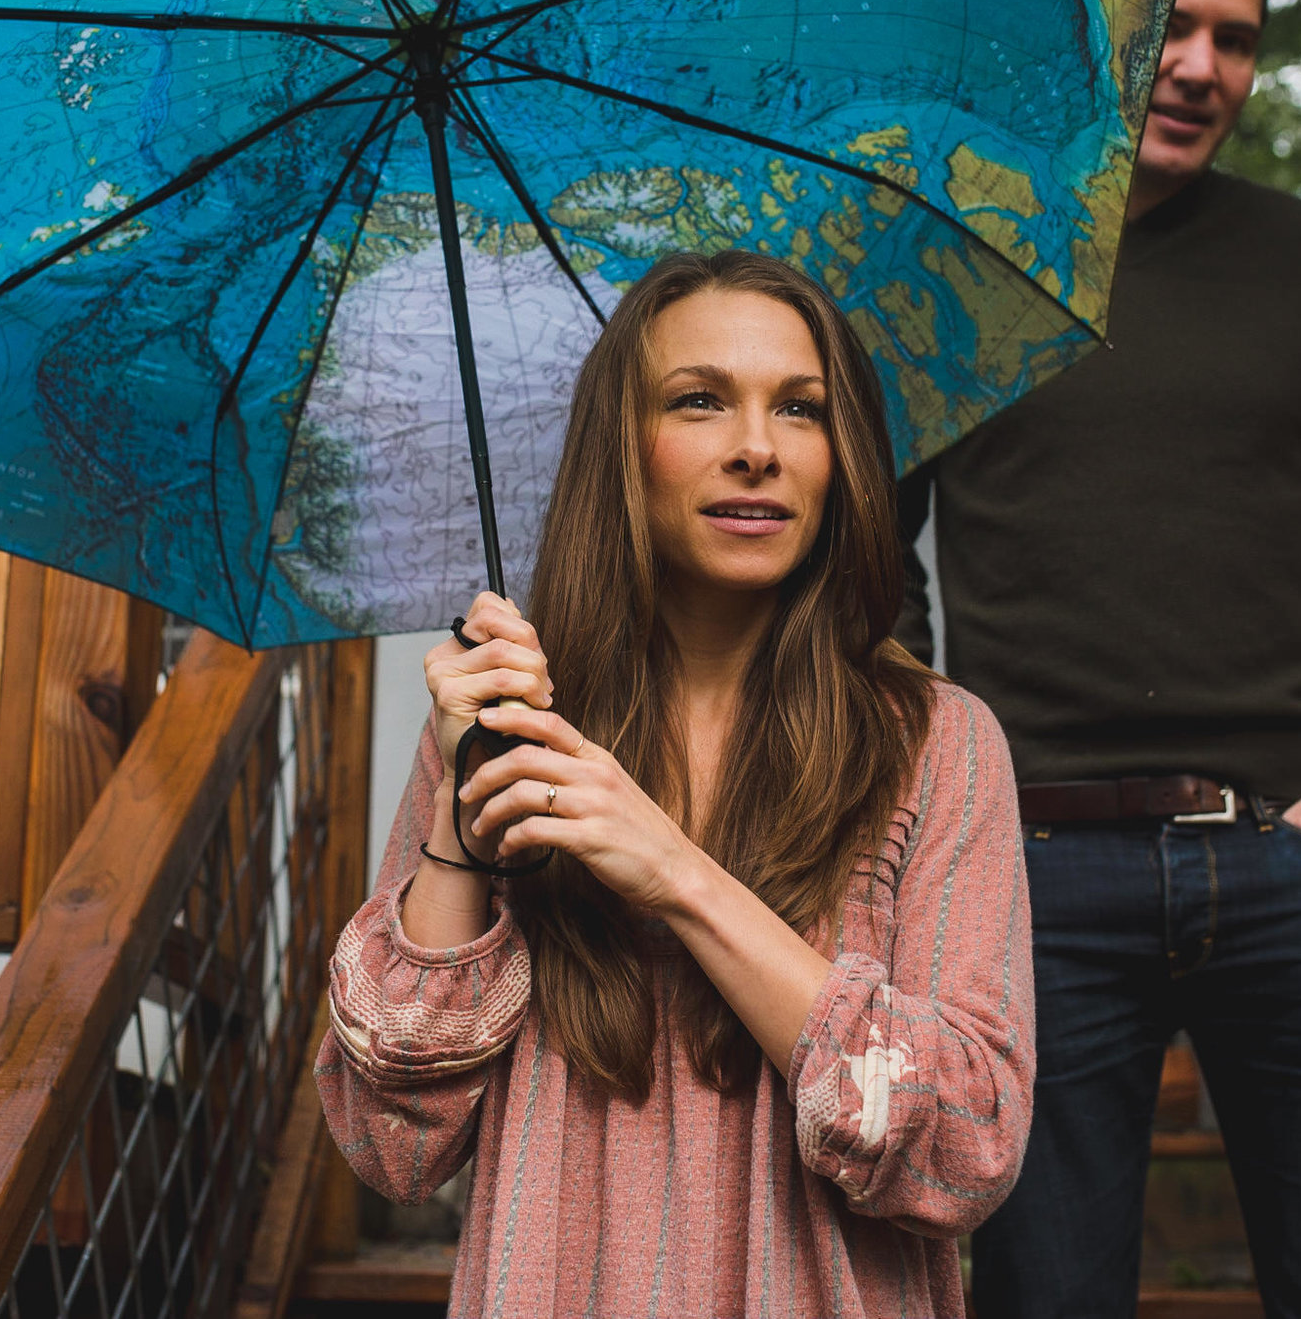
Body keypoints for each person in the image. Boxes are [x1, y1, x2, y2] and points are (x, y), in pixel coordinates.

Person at [896, 0, 1301, 1316]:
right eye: (1173, 24)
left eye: (1237, 39)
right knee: (1040, 1293)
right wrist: (938, 781)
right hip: (1029, 877)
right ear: (1099, 26)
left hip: (1299, 853)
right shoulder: (964, 262)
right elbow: (862, 565)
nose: (1201, 65)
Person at [318, 250, 1032, 1318]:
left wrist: (677, 875)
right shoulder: (510, 728)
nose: (756, 449)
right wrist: (462, 830)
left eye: (801, 409)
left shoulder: (937, 742)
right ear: (623, 449)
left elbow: (967, 1145)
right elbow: (392, 1148)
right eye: (698, 401)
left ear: (843, 455)